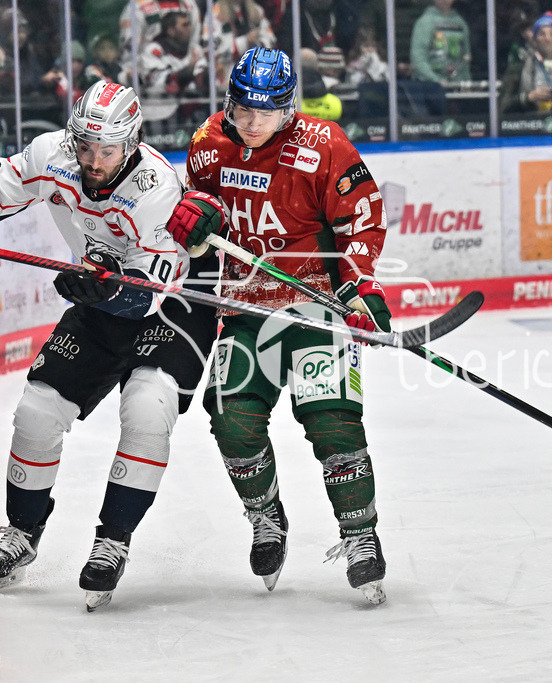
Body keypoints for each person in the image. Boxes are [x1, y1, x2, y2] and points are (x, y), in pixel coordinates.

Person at [0, 81, 219, 611]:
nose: (93, 161)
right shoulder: (57, 153)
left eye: (107, 149)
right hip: (102, 298)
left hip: (171, 306)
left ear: (133, 142)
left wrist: (101, 289)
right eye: (86, 146)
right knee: (36, 410)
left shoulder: (156, 189)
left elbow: (143, 300)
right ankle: (21, 534)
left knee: (146, 409)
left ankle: (112, 541)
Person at [167, 47, 391, 604]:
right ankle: (266, 516)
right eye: (242, 108)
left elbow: (361, 219)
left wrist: (361, 286)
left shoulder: (326, 146)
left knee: (333, 420)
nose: (251, 121)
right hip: (244, 308)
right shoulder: (207, 144)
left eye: (264, 111)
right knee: (231, 419)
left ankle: (360, 535)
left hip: (315, 306)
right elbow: (193, 213)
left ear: (288, 108)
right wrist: (191, 219)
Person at [499, 12, 552, 114]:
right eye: (542, 34)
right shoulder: (518, 69)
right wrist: (527, 98)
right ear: (535, 40)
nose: (547, 38)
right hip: (527, 127)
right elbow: (502, 107)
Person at [409, 0, 471, 86]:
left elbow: (465, 57)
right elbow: (418, 57)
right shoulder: (425, 22)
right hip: (428, 88)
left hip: (457, 85)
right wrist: (436, 80)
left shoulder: (460, 23)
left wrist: (466, 82)